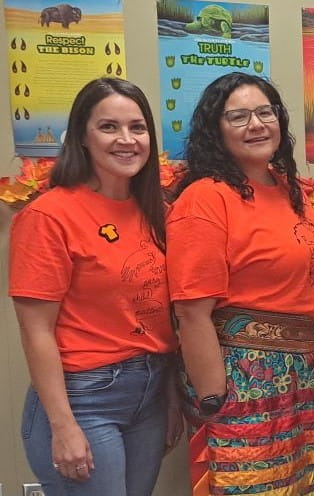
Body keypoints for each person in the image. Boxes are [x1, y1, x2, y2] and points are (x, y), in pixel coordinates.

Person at [167, 72, 314, 495]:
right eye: (239, 116)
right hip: (244, 377)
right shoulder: (207, 197)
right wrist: (214, 400)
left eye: (265, 112)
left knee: (313, 486)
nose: (257, 124)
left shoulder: (290, 190)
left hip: (311, 373)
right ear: (216, 130)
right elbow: (192, 313)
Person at [9, 77, 180, 496]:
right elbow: (36, 330)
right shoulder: (50, 215)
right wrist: (62, 426)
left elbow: (165, 314)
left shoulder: (160, 210)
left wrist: (172, 394)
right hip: (85, 399)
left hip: (151, 390)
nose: (126, 140)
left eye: (137, 128)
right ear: (82, 137)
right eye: (109, 127)